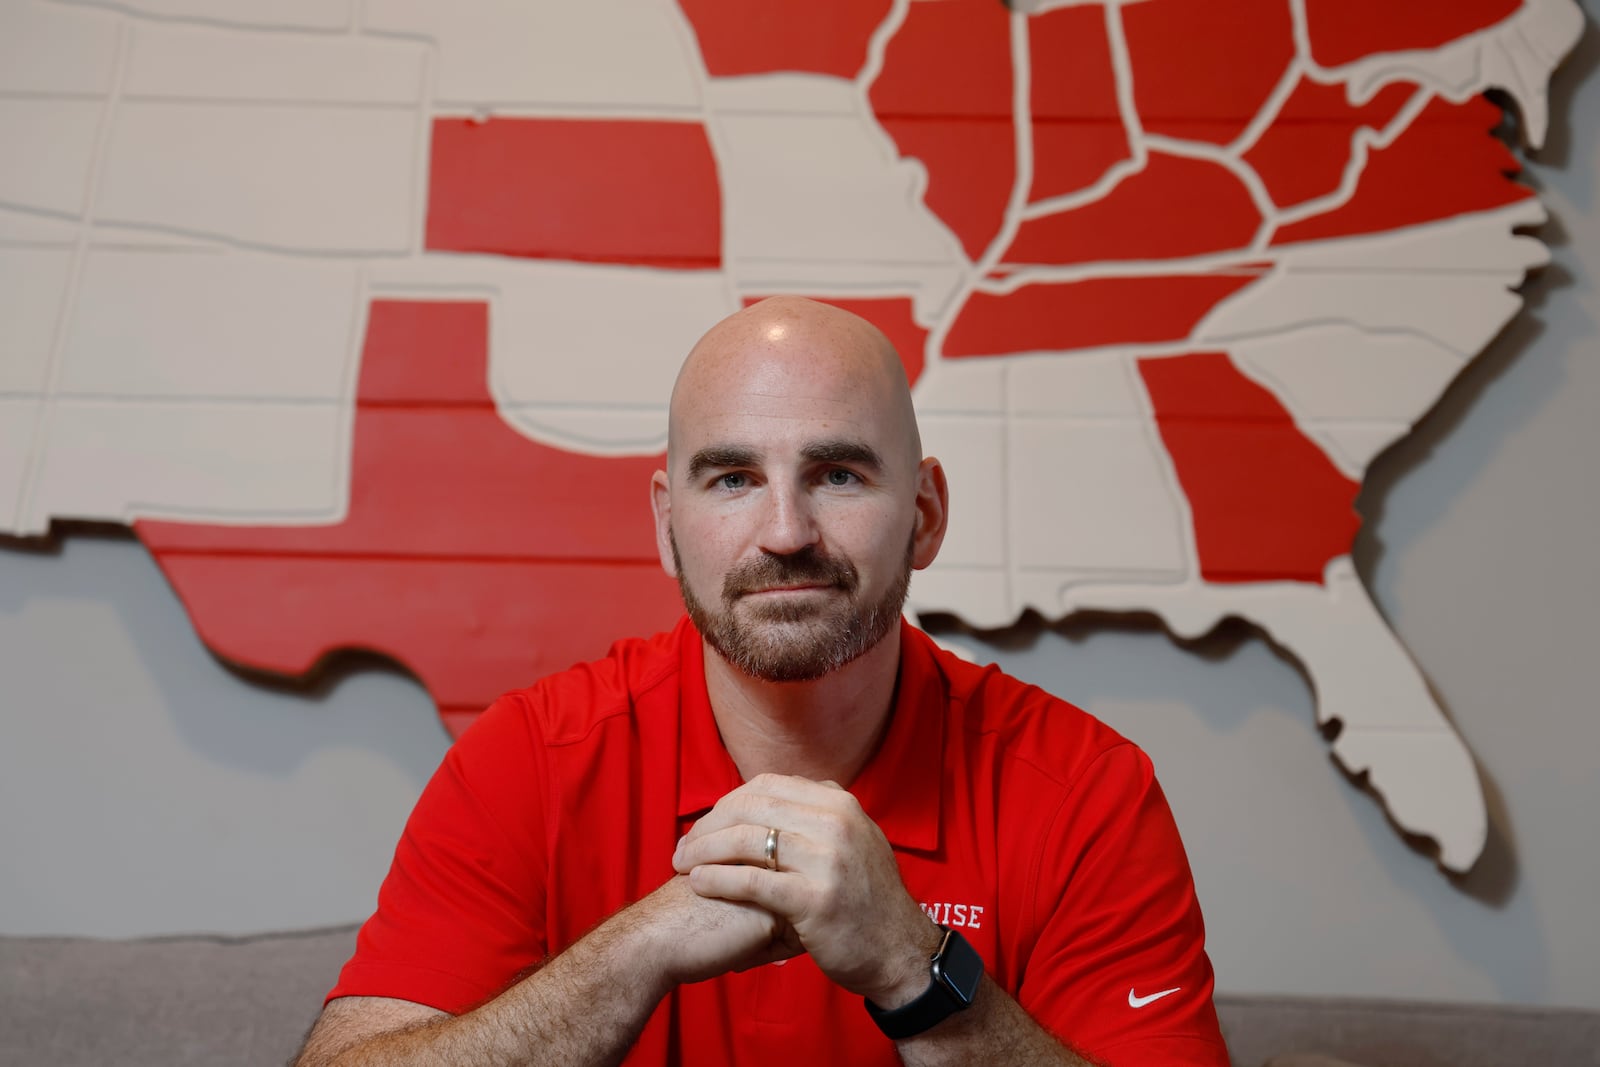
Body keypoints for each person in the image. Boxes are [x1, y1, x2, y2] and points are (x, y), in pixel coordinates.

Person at [294, 297, 1230, 1066]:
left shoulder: (1088, 792)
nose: (786, 530)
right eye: (734, 477)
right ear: (668, 526)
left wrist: (915, 966)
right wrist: (639, 948)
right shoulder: (530, 759)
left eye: (837, 474)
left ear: (926, 516)